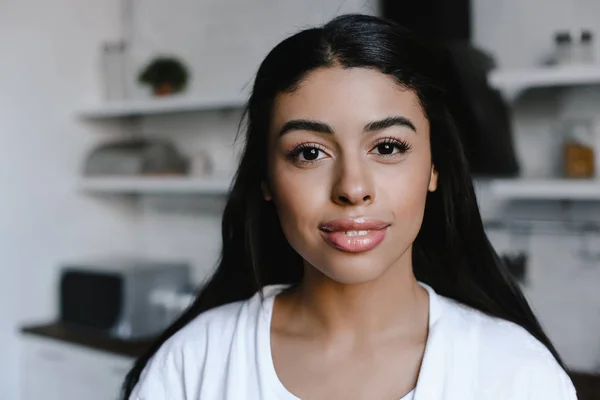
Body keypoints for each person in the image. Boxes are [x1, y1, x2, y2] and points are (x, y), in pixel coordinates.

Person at [124, 14, 577, 400]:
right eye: (309, 152)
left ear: (435, 168)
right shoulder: (192, 365)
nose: (353, 188)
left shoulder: (520, 377)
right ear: (265, 179)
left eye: (387, 146)